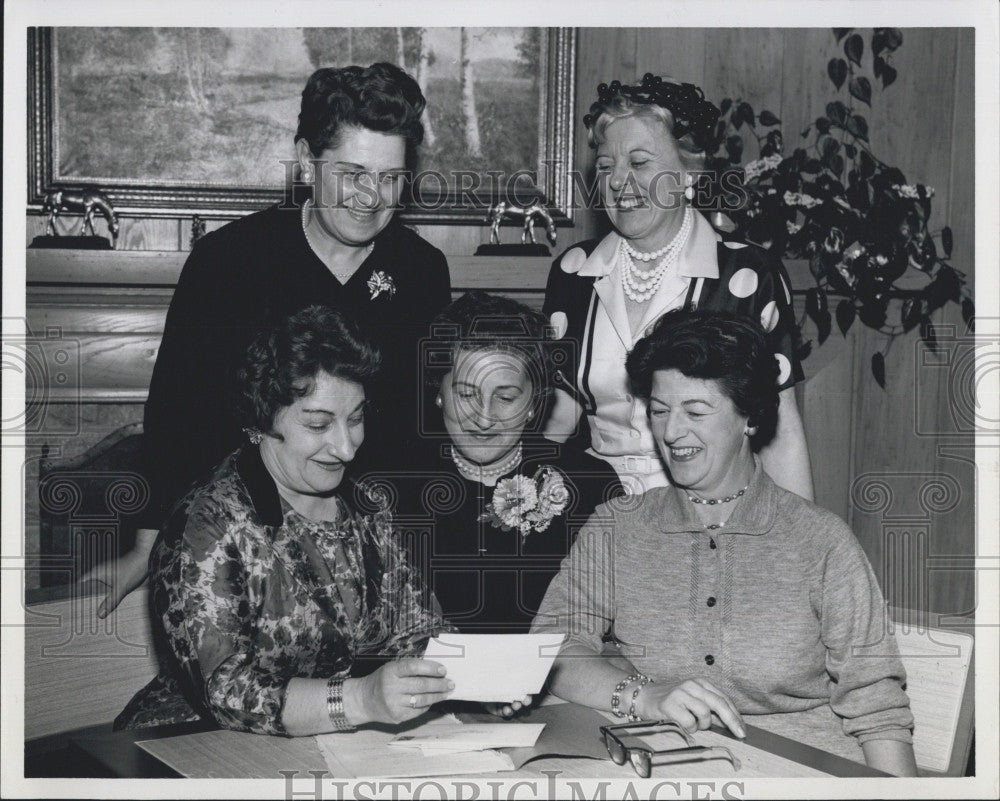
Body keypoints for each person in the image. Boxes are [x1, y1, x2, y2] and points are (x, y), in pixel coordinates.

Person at [84, 63, 450, 616]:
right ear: (306, 160)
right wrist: (148, 540)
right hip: (244, 542)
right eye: (352, 173)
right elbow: (176, 411)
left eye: (391, 177)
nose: (371, 197)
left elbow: (420, 432)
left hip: (376, 550)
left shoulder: (422, 271)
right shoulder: (228, 262)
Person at [532, 308, 916, 776]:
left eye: (695, 411)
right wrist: (643, 694)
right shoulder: (620, 526)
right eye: (659, 411)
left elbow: (877, 708)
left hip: (798, 774)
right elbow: (552, 649)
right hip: (659, 770)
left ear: (749, 417)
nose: (671, 432)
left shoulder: (821, 542)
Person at [115, 306, 455, 735]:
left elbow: (419, 631)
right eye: (318, 424)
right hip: (190, 741)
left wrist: (481, 681)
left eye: (356, 418)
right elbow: (225, 690)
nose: (347, 449)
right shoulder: (208, 523)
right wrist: (360, 699)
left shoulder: (366, 506)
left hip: (328, 742)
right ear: (261, 418)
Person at [543, 74, 813, 499]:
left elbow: (782, 432)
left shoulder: (746, 275)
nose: (618, 182)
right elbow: (559, 419)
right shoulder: (573, 273)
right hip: (594, 510)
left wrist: (798, 551)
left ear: (689, 172)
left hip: (711, 512)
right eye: (606, 166)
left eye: (639, 163)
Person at [351, 291, 623, 634]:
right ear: (438, 391)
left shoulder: (589, 485)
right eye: (466, 394)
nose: (483, 418)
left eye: (505, 397)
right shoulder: (385, 488)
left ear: (534, 402)